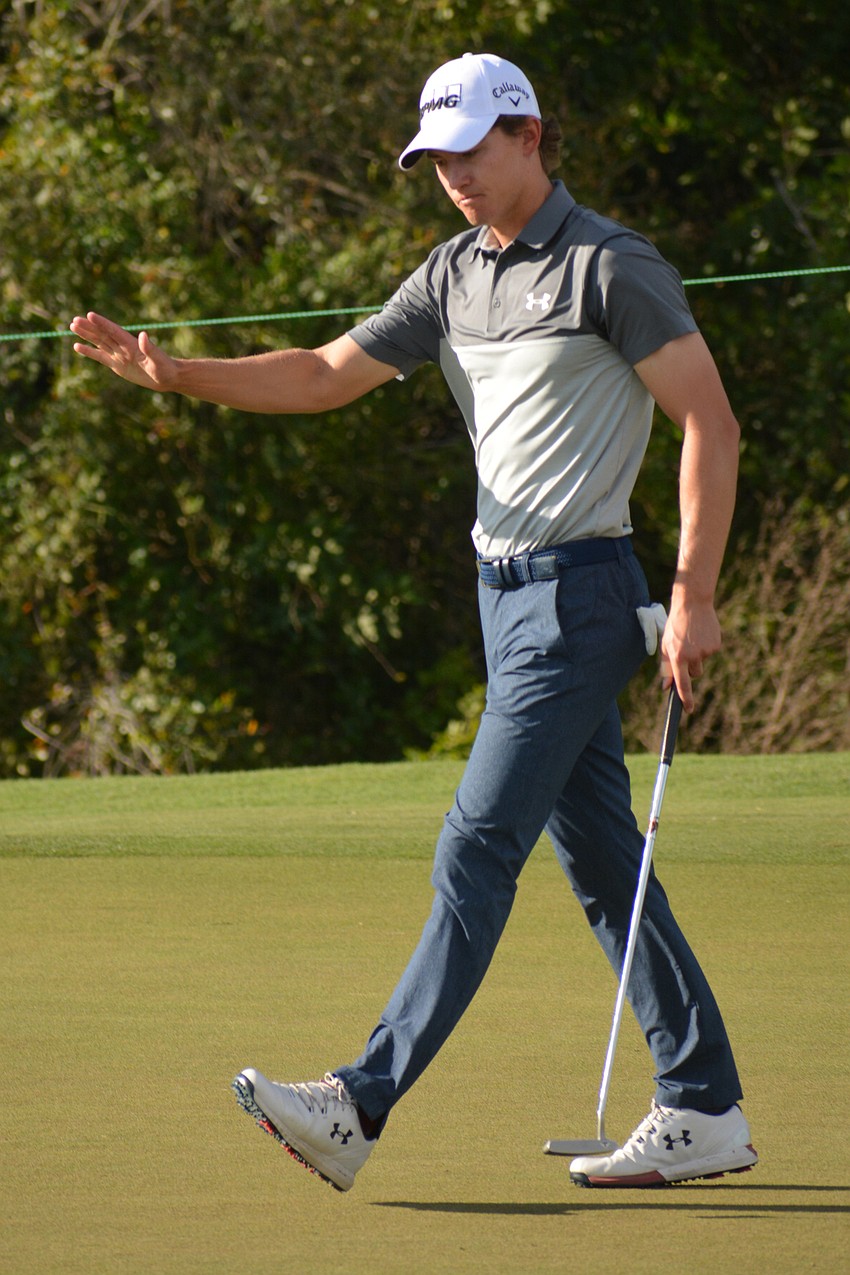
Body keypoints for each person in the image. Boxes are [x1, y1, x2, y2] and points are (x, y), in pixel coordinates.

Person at [70, 52, 757, 1192]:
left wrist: (691, 594)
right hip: (501, 599)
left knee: (476, 841)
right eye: (436, 159)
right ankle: (703, 1103)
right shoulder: (451, 275)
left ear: (529, 135)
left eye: (471, 152)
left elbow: (712, 426)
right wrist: (179, 375)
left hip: (581, 596)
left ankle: (359, 1102)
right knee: (597, 860)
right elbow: (325, 372)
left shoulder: (611, 266)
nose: (452, 177)